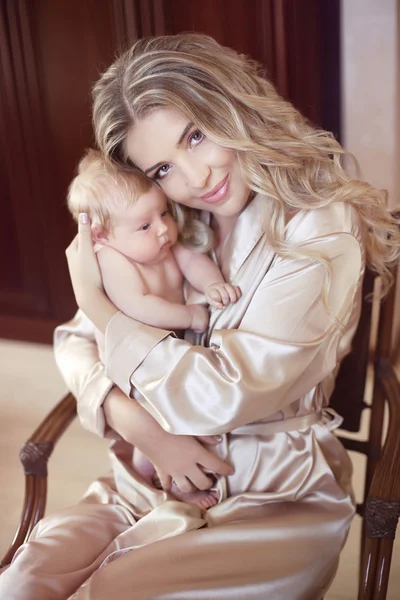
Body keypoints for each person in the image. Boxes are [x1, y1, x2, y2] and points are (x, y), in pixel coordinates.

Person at [1, 33, 399, 600]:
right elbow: (76, 341)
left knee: (113, 591)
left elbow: (222, 393)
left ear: (231, 106)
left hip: (271, 498)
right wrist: (142, 430)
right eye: (162, 169)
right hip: (149, 480)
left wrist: (96, 301)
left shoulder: (319, 227)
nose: (196, 179)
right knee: (21, 584)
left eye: (196, 134)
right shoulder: (170, 222)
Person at [67, 148, 241, 509]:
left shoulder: (160, 243)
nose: (163, 228)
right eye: (145, 225)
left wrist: (212, 285)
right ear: (101, 236)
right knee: (154, 422)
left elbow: (193, 261)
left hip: (163, 352)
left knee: (183, 411)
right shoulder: (112, 261)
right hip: (132, 365)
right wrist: (191, 316)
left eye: (163, 212)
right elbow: (139, 307)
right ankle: (168, 480)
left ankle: (169, 471)